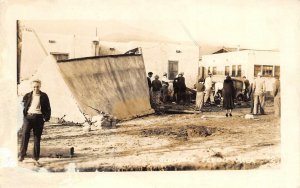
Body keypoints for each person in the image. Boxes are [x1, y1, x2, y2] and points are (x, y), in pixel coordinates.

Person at [19, 79, 51, 167]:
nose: (35, 88)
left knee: (37, 138)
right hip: (28, 117)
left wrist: (45, 118)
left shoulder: (44, 96)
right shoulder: (27, 95)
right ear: (31, 87)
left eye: (37, 87)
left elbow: (48, 108)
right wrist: (24, 115)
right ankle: (21, 156)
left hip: (39, 118)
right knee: (25, 135)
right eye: (34, 87)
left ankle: (36, 159)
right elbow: (22, 106)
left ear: (40, 86)